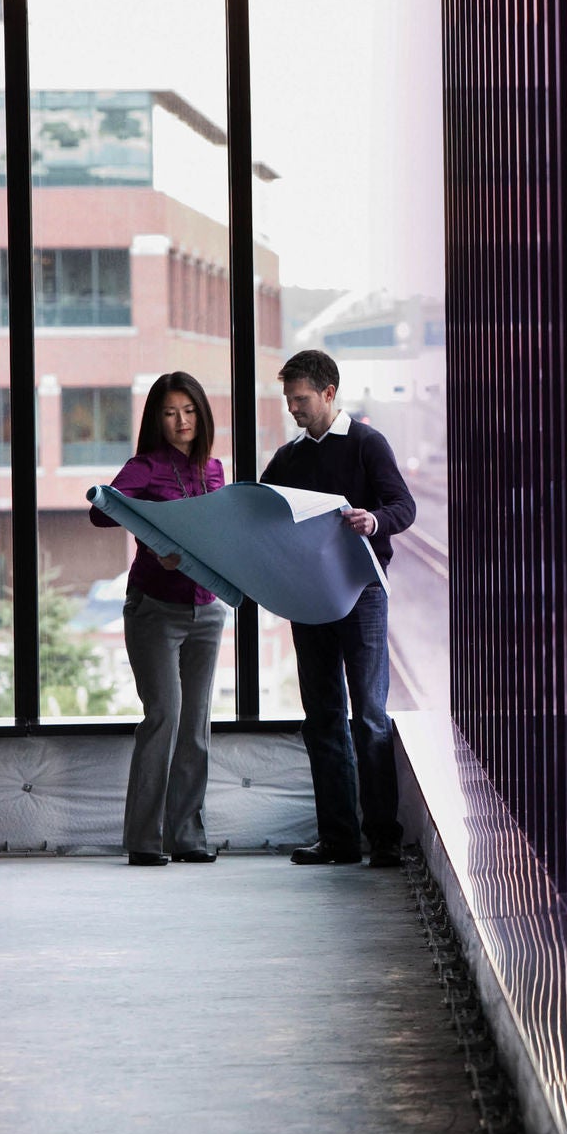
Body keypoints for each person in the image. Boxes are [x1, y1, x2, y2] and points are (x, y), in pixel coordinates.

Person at [260, 349, 417, 868]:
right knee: (323, 717)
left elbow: (403, 507)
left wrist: (374, 521)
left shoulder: (369, 444)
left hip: (361, 593)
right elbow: (260, 511)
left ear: (329, 393)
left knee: (369, 716)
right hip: (310, 597)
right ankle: (340, 841)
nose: (293, 409)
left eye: (301, 399)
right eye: (289, 400)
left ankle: (385, 839)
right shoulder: (288, 458)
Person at [90, 373, 227, 867]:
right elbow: (103, 512)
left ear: (201, 413)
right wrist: (153, 538)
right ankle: (145, 839)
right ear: (156, 418)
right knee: (164, 715)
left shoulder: (213, 470)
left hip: (207, 610)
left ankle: (188, 836)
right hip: (155, 609)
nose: (181, 421)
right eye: (170, 413)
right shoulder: (143, 467)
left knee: (195, 724)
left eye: (189, 411)